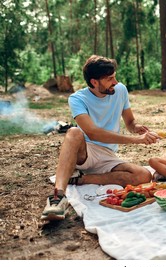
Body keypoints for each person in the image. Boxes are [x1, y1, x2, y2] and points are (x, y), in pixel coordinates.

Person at [41, 55, 159, 221]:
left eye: (115, 76)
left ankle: (81, 180)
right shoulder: (77, 99)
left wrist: (135, 128)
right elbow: (93, 133)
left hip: (107, 155)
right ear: (94, 82)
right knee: (74, 132)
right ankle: (57, 197)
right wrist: (137, 140)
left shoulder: (120, 90)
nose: (115, 82)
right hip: (86, 151)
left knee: (144, 175)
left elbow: (130, 121)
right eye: (110, 79)